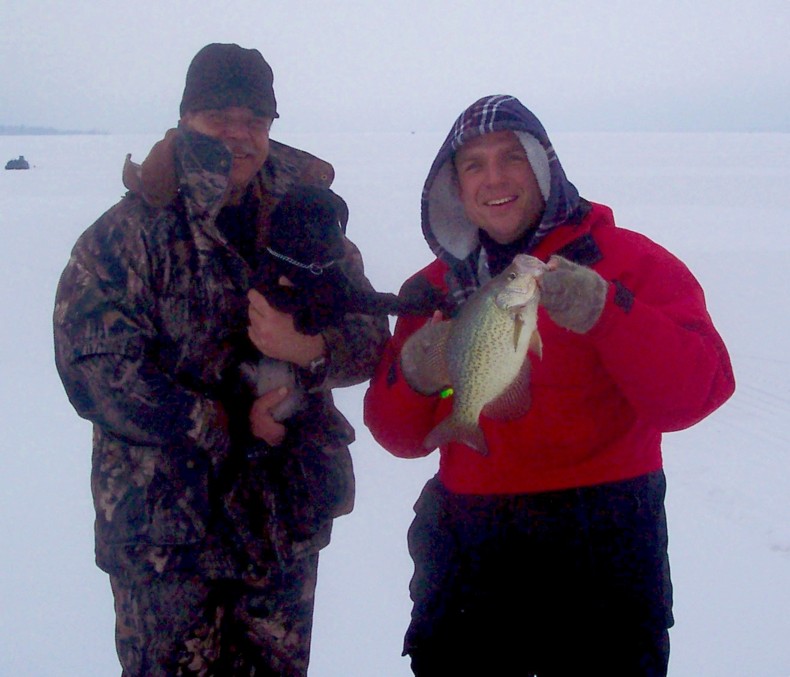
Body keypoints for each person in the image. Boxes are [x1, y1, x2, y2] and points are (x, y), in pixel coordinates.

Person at [363, 94, 735, 676]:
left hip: (606, 543)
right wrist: (418, 375)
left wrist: (607, 311)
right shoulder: (431, 289)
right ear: (454, 187)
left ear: (544, 167)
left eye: (512, 157)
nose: (494, 178)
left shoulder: (630, 262)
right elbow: (399, 437)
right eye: (474, 164)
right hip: (470, 552)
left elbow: (697, 393)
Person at [53, 43, 389, 676]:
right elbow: (96, 372)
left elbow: (370, 335)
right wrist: (226, 420)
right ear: (185, 120)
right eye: (218, 118)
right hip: (167, 537)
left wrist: (308, 349)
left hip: (280, 521)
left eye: (254, 121)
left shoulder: (309, 220)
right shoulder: (124, 235)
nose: (239, 135)